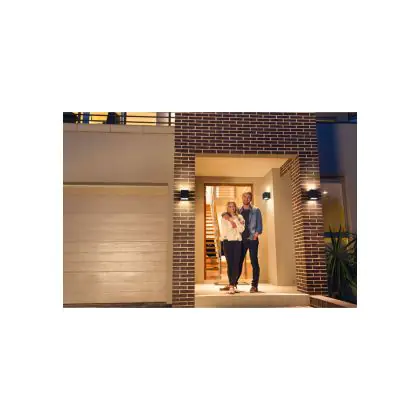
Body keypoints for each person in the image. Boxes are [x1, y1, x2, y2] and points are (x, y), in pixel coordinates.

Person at [237, 192, 263, 293]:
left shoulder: (256, 210)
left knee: (254, 262)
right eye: (244, 197)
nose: (246, 199)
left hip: (252, 240)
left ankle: (254, 286)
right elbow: (227, 214)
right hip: (241, 240)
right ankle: (233, 283)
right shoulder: (238, 211)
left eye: (248, 197)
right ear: (242, 198)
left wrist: (256, 235)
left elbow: (259, 226)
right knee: (238, 262)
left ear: (251, 199)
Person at [219, 202, 245, 294]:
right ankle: (231, 285)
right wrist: (233, 223)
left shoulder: (240, 217)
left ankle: (233, 285)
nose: (231, 208)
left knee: (236, 263)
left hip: (237, 241)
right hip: (227, 242)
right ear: (227, 208)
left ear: (235, 207)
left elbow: (242, 229)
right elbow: (225, 230)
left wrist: (234, 222)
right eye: (229, 206)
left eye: (233, 206)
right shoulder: (224, 217)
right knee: (230, 264)